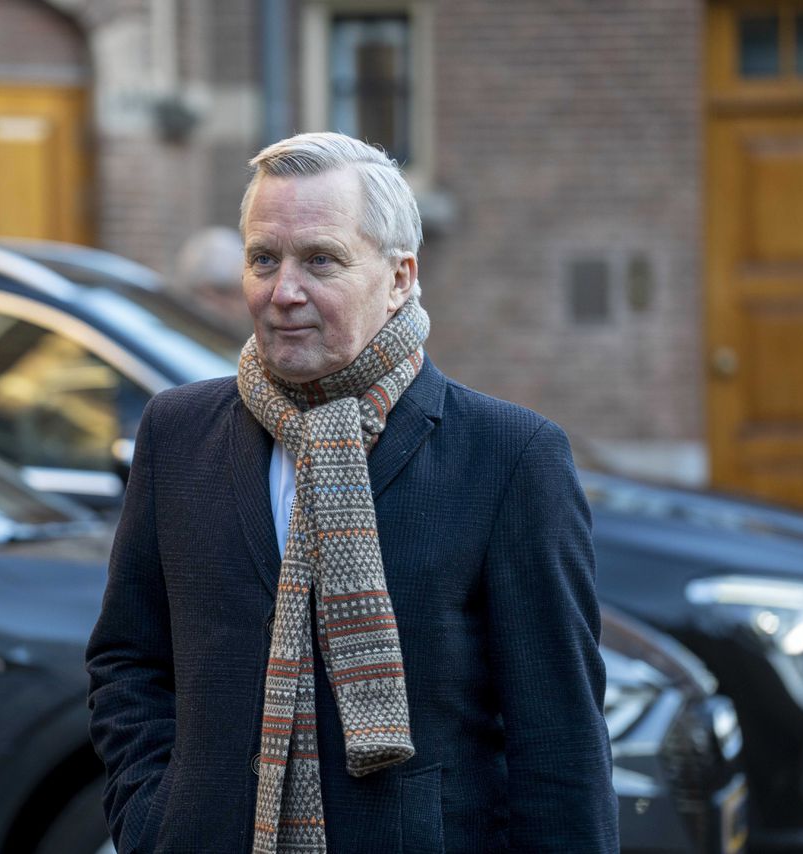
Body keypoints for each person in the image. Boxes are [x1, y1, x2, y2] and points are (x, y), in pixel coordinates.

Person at [86, 132, 618, 853]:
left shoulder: (510, 456)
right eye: (263, 259)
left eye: (321, 260)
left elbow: (560, 742)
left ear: (400, 277)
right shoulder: (176, 434)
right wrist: (154, 816)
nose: (284, 292)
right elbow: (129, 659)